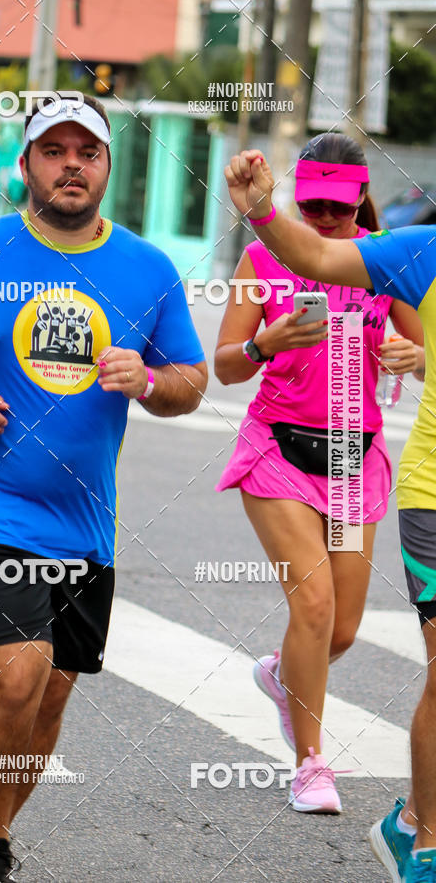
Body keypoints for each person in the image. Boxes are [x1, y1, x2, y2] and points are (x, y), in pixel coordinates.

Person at [0, 94, 207, 882]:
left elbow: (194, 377)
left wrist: (154, 384)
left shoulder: (148, 268)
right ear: (24, 166)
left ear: (106, 167)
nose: (70, 165)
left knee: (51, 695)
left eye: (85, 152)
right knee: (17, 674)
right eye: (52, 151)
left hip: (88, 522)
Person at [224, 146, 436, 882]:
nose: (323, 219)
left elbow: (420, 340)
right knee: (313, 606)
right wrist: (260, 343)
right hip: (279, 451)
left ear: (361, 203)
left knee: (341, 626)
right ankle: (312, 761)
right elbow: (223, 362)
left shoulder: (390, 261)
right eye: (310, 207)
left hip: (354, 456)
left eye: (337, 208)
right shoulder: (265, 260)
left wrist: (409, 355)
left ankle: (286, 678)